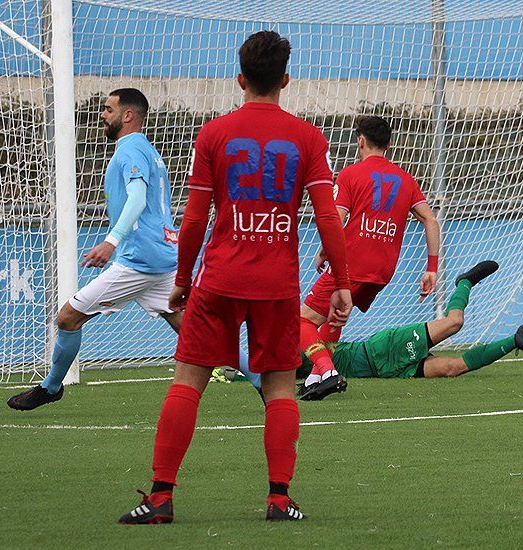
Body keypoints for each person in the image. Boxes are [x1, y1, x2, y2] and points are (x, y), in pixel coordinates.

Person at [118, 31, 352, 524]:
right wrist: (344, 281)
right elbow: (328, 217)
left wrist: (182, 279)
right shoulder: (308, 137)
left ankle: (160, 498)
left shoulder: (214, 133)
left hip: (219, 279)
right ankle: (279, 499)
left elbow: (195, 218)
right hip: (278, 284)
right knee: (281, 388)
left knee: (188, 383)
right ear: (286, 80)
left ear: (240, 79)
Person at [7, 89, 180, 410]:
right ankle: (262, 379)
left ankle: (51, 386)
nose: (103, 114)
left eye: (108, 109)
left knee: (68, 317)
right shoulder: (148, 150)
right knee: (195, 332)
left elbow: (138, 199)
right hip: (164, 254)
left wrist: (110, 241)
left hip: (139, 259)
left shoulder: (129, 151)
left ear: (128, 116)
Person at [235, 261, 523, 395]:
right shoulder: (287, 363)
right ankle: (515, 339)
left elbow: (315, 333)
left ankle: (464, 283)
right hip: (390, 370)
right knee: (452, 368)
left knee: (455, 322)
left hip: (383, 349)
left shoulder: (298, 344)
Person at [299, 116, 440, 400]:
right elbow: (431, 220)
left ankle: (327, 370)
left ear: (360, 141)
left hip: (352, 264)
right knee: (335, 318)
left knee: (300, 322)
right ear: (389, 144)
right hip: (383, 271)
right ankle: (316, 379)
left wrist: (325, 251)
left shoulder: (351, 174)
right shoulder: (406, 179)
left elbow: (335, 220)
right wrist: (432, 269)